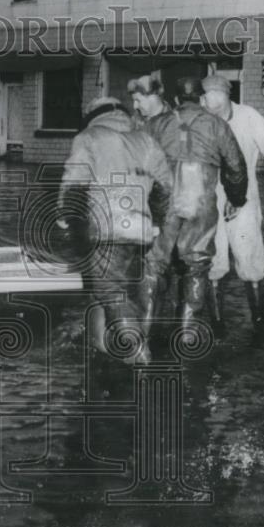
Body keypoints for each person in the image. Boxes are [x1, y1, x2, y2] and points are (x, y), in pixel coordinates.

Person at [57, 96, 173, 365]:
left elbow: (75, 183)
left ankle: (137, 351)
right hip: (140, 231)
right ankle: (108, 347)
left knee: (109, 291)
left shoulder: (89, 137)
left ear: (92, 116)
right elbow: (165, 187)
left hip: (104, 229)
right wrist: (154, 221)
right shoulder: (145, 139)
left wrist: (65, 215)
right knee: (119, 289)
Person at [144, 81, 249, 341]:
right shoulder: (217, 125)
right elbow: (236, 167)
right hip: (201, 201)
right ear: (200, 99)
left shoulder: (156, 124)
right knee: (197, 265)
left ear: (177, 98)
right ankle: (187, 336)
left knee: (154, 265)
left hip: (163, 200)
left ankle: (143, 333)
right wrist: (236, 198)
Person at [201, 74, 264, 346]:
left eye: (206, 95)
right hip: (209, 199)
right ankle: (217, 328)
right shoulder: (200, 118)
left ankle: (260, 327)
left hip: (244, 201)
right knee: (212, 263)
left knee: (250, 260)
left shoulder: (249, 117)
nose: (203, 100)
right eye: (202, 96)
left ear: (223, 94)